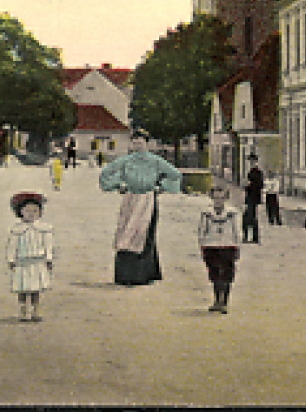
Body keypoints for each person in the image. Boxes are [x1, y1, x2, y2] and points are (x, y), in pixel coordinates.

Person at [98, 126, 183, 285]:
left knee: (145, 235)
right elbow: (106, 174)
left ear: (147, 143)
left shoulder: (155, 161)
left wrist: (161, 187)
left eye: (141, 142)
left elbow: (175, 175)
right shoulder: (125, 161)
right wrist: (118, 185)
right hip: (130, 199)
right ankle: (124, 275)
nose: (138, 145)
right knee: (126, 233)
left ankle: (144, 275)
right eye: (135, 142)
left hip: (148, 200)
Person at [5, 192, 55, 323]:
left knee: (35, 288)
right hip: (22, 262)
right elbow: (12, 246)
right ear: (20, 212)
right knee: (22, 288)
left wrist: (48, 258)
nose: (31, 213)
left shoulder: (44, 229)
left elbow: (48, 244)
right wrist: (11, 259)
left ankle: (35, 310)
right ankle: (23, 310)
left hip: (37, 261)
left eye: (35, 210)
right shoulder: (17, 230)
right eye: (27, 211)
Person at [196, 185, 241, 313]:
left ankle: (224, 302)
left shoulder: (232, 213)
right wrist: (202, 245)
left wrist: (237, 246)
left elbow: (237, 230)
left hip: (228, 245)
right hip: (211, 246)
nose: (218, 201)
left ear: (225, 198)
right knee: (214, 273)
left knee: (227, 273)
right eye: (216, 198)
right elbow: (202, 231)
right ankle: (217, 300)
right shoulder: (206, 213)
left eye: (221, 198)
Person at [241, 162, 264, 243]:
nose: (251, 163)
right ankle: (252, 237)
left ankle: (251, 237)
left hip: (253, 198)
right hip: (250, 198)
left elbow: (260, 185)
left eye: (252, 161)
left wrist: (249, 185)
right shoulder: (250, 172)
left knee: (249, 218)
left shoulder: (258, 173)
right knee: (249, 217)